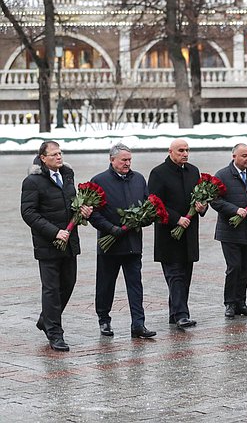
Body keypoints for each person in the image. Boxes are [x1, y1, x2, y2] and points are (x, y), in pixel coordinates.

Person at [21, 141, 93, 351]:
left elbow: (71, 202)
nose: (59, 157)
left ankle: (46, 319)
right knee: (51, 289)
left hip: (69, 241)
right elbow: (28, 213)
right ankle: (55, 334)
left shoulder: (67, 174)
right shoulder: (32, 181)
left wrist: (83, 211)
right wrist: (54, 232)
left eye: (60, 153)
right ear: (43, 158)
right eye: (54, 154)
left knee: (68, 283)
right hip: (48, 244)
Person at [89, 144, 156, 339]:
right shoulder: (99, 181)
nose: (127, 163)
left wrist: (145, 218)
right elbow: (93, 213)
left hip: (133, 243)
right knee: (105, 284)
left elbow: (147, 205)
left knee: (135, 284)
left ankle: (138, 323)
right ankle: (104, 319)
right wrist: (111, 229)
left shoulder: (138, 179)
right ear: (112, 160)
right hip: (109, 244)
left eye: (129, 160)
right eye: (123, 160)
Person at [148, 139, 207, 329]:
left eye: (187, 150)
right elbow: (155, 203)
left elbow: (200, 198)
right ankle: (182, 314)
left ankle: (175, 313)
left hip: (189, 233)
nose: (185, 154)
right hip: (169, 234)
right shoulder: (158, 173)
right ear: (170, 152)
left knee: (186, 275)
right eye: (181, 150)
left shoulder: (193, 171)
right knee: (175, 275)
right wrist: (176, 219)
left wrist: (202, 207)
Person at [211, 143, 247, 318]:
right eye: (244, 156)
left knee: (245, 268)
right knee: (234, 266)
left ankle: (241, 302)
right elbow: (214, 200)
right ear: (234, 157)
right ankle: (229, 303)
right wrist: (234, 210)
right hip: (229, 230)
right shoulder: (222, 175)